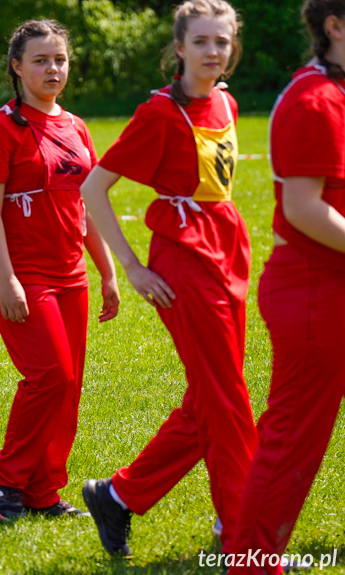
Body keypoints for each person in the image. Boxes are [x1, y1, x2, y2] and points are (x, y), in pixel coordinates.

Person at [78, 0, 257, 556]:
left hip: (228, 252)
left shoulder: (225, 102)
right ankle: (242, 533)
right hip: (182, 262)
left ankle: (118, 496)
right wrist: (130, 266)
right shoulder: (159, 113)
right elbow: (92, 190)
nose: (212, 52)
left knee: (210, 398)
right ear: (178, 48)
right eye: (200, 42)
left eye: (221, 42)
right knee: (228, 402)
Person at [0, 19, 120, 522]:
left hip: (70, 273)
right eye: (40, 60)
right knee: (50, 376)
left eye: (59, 59)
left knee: (69, 384)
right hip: (22, 274)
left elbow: (86, 205)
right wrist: (7, 277)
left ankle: (43, 492)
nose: (52, 68)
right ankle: (6, 479)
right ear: (17, 68)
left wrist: (107, 272)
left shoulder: (76, 127)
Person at [229, 2, 345, 573]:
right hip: (314, 290)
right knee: (292, 442)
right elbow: (303, 207)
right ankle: (249, 561)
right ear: (335, 27)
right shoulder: (313, 100)